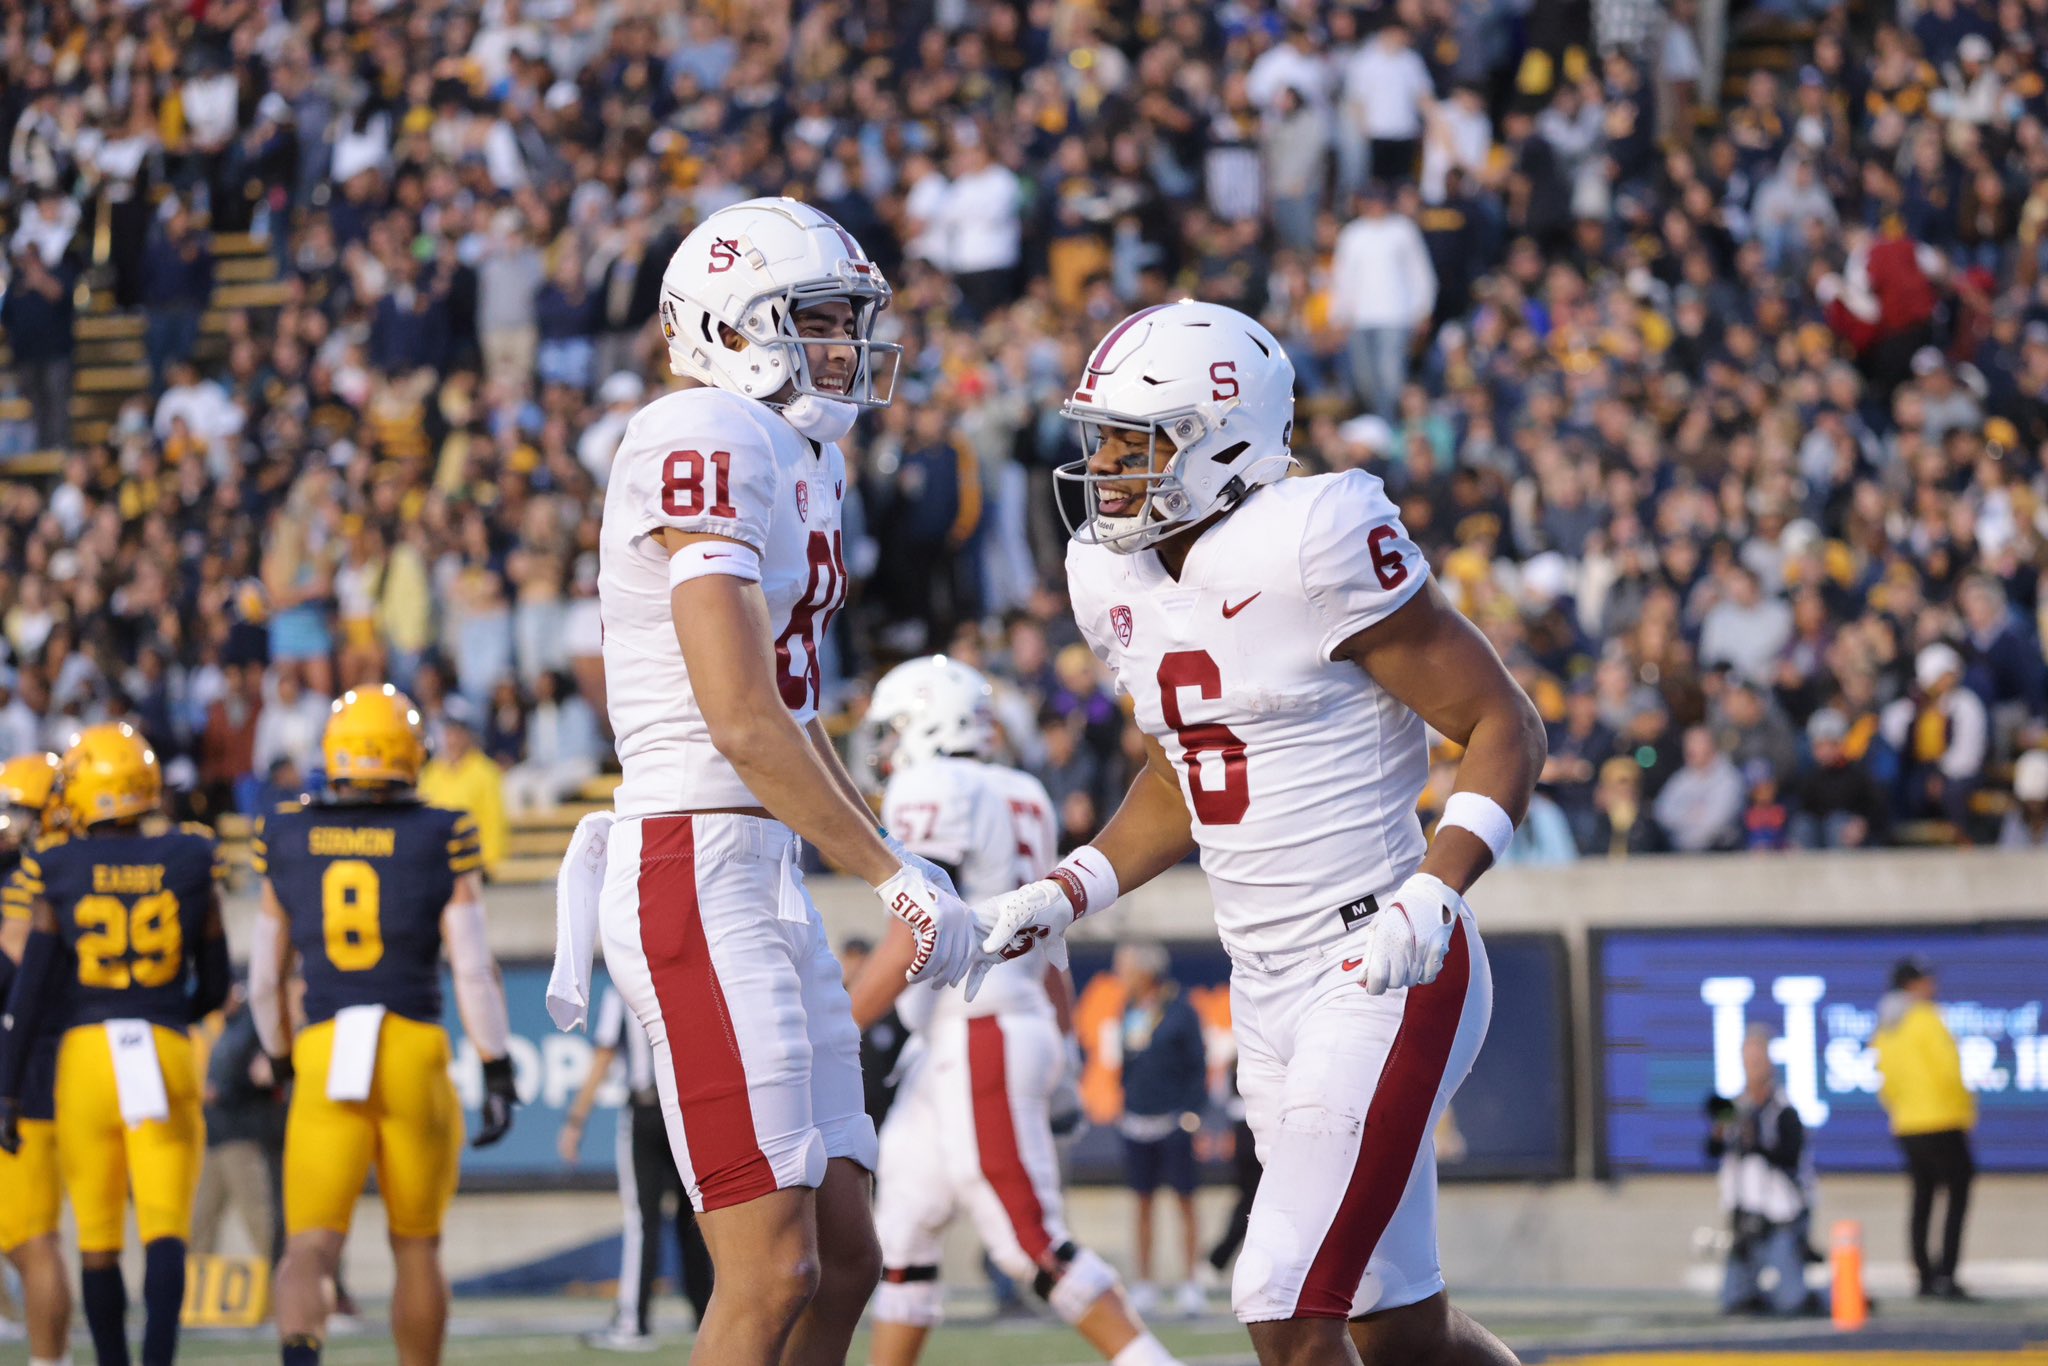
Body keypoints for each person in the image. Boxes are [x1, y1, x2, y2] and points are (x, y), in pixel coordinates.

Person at [977, 300, 1544, 1366]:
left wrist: (1437, 887)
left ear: (1220, 442)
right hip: (1264, 982)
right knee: (1397, 1328)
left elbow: (1501, 722)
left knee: (1281, 1301)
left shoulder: (1312, 534)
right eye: (1096, 439)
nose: (1101, 465)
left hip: (1380, 956)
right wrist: (1063, 891)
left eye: (1130, 442)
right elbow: (1179, 772)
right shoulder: (1111, 573)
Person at [583, 198, 981, 1366]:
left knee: (848, 1257)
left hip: (758, 865)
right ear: (725, 324)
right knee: (770, 1267)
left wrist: (875, 854)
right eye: (815, 319)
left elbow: (794, 722)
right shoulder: (696, 428)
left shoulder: (800, 451)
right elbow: (742, 719)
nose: (841, 348)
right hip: (691, 856)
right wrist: (895, 872)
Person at [848, 657, 1180, 1366]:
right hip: (991, 1023)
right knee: (902, 1227)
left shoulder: (931, 784)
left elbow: (918, 926)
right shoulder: (1024, 789)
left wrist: (834, 1027)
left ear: (927, 725)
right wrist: (1059, 1044)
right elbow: (1046, 931)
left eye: (894, 729)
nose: (883, 748)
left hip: (981, 1027)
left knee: (1028, 1241)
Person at [245, 685, 520, 1366]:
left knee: (309, 1244)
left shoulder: (286, 831)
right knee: (417, 1244)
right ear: (411, 752)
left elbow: (261, 980)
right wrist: (496, 1063)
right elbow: (474, 968)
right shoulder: (440, 830)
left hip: (324, 1042)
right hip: (411, 1044)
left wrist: (282, 1059)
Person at [0, 724, 232, 1366]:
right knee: (164, 1230)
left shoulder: (55, 867)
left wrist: (9, 1091)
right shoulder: (191, 856)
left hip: (84, 1063)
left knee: (96, 1237)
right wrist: (169, 1014)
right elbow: (215, 982)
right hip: (160, 1046)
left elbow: (28, 993)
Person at [559, 985, 715, 1350]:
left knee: (646, 1220)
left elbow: (604, 1057)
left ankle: (635, 1322)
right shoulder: (684, 982)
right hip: (686, 1113)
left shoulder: (623, 991)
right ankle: (707, 1318)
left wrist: (576, 1120)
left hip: (649, 1112)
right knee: (694, 1217)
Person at [0, 751, 71, 1366]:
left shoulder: (40, 882)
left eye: (18, 813)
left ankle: (50, 1361)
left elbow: (24, 973)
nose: (8, 826)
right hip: (55, 1064)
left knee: (31, 1239)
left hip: (34, 1073)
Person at [1112, 942, 1209, 1319]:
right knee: (1142, 1202)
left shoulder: (1181, 1011)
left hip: (1173, 1120)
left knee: (1185, 1201)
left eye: (1127, 968)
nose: (1121, 976)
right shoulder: (1130, 1010)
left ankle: (1190, 1283)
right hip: (1137, 1119)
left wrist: (1190, 1114)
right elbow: (1127, 1063)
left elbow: (1197, 1065)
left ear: (1147, 972)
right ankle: (1145, 1284)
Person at [1872, 958, 1977, 1301]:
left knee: (1922, 1197)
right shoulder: (1927, 1019)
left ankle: (1924, 1274)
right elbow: (1949, 1071)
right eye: (1925, 979)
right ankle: (1946, 1272)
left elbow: (1886, 1080)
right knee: (1956, 1193)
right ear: (1912, 985)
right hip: (1942, 1121)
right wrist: (1965, 1113)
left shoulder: (1886, 1027)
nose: (1932, 985)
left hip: (1908, 1125)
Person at [1705, 1025, 1819, 1317]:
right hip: (1746, 1215)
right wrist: (1721, 1131)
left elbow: (1791, 1157)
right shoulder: (1734, 1107)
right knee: (1733, 1301)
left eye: (1759, 1059)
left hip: (1780, 1215)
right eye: (1748, 1060)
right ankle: (1756, 1294)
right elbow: (1713, 1150)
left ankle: (1824, 1297)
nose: (1753, 1067)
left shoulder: (1783, 1109)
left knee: (1792, 1302)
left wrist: (1757, 1143)